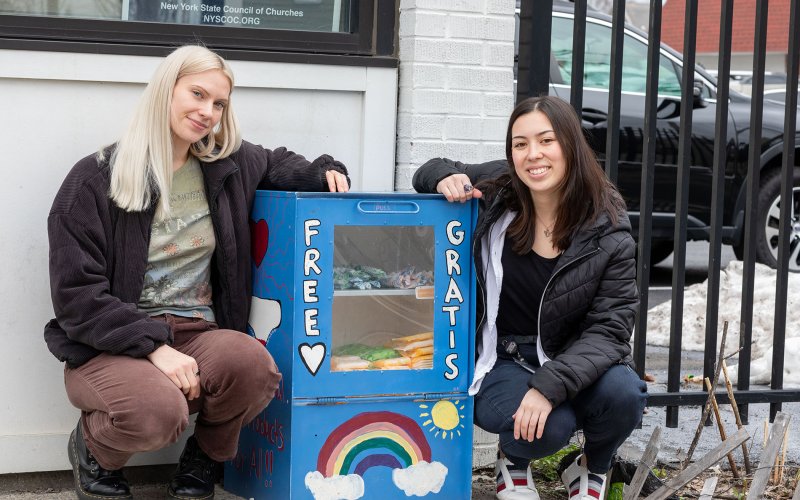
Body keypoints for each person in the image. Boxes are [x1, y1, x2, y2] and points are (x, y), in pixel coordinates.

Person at [45, 45, 350, 500]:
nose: (208, 112)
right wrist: (154, 347)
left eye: (220, 103)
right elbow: (76, 297)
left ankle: (204, 458)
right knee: (157, 413)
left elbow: (285, 165)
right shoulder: (94, 179)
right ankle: (93, 450)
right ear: (166, 90)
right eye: (198, 94)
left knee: (255, 368)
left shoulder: (229, 165)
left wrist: (327, 171)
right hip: (108, 345)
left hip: (198, 331)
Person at [413, 96, 647, 500]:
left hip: (574, 354)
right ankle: (514, 460)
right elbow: (428, 169)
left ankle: (592, 466)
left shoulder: (608, 227)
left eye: (546, 141)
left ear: (570, 146)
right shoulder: (501, 188)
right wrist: (442, 178)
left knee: (625, 395)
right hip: (503, 357)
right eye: (520, 144)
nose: (532, 155)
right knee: (551, 426)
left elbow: (610, 330)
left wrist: (548, 386)